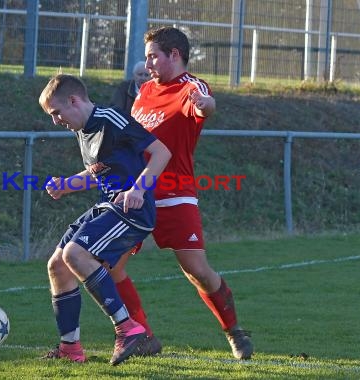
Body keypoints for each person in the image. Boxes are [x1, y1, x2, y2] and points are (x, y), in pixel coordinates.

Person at [111, 26, 254, 360]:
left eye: (152, 56)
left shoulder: (191, 86)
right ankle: (142, 336)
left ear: (174, 55)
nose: (147, 64)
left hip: (175, 194)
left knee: (197, 271)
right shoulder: (145, 90)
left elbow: (205, 106)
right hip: (139, 193)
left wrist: (206, 105)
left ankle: (234, 331)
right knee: (111, 265)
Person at [38, 74, 172, 365]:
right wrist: (66, 185)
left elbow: (161, 152)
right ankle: (70, 348)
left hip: (132, 210)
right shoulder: (82, 129)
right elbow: (99, 171)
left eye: (56, 113)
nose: (55, 121)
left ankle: (128, 329)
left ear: (73, 100)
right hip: (108, 206)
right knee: (58, 265)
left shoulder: (111, 118)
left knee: (76, 254)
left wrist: (139, 188)